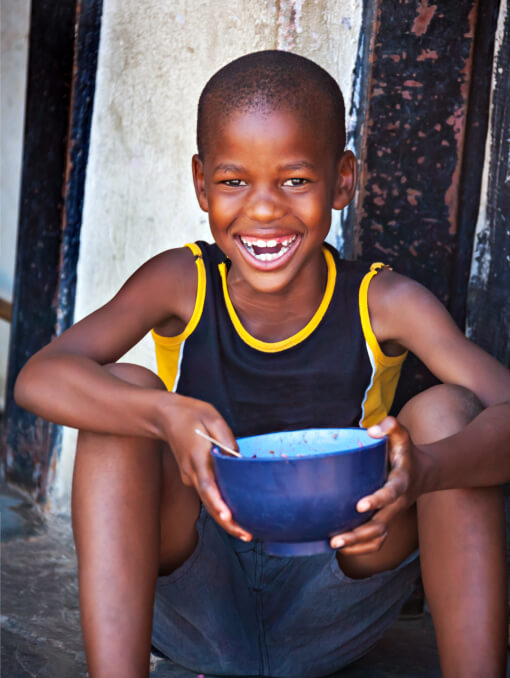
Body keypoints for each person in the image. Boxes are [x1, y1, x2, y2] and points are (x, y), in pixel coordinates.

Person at [14, 50, 510, 678]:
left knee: (444, 411)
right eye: (233, 181)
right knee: (124, 396)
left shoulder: (385, 302)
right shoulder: (181, 281)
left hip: (332, 599)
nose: (265, 208)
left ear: (343, 181)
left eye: (296, 179)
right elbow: (41, 376)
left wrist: (427, 471)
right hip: (198, 602)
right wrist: (164, 414)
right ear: (201, 183)